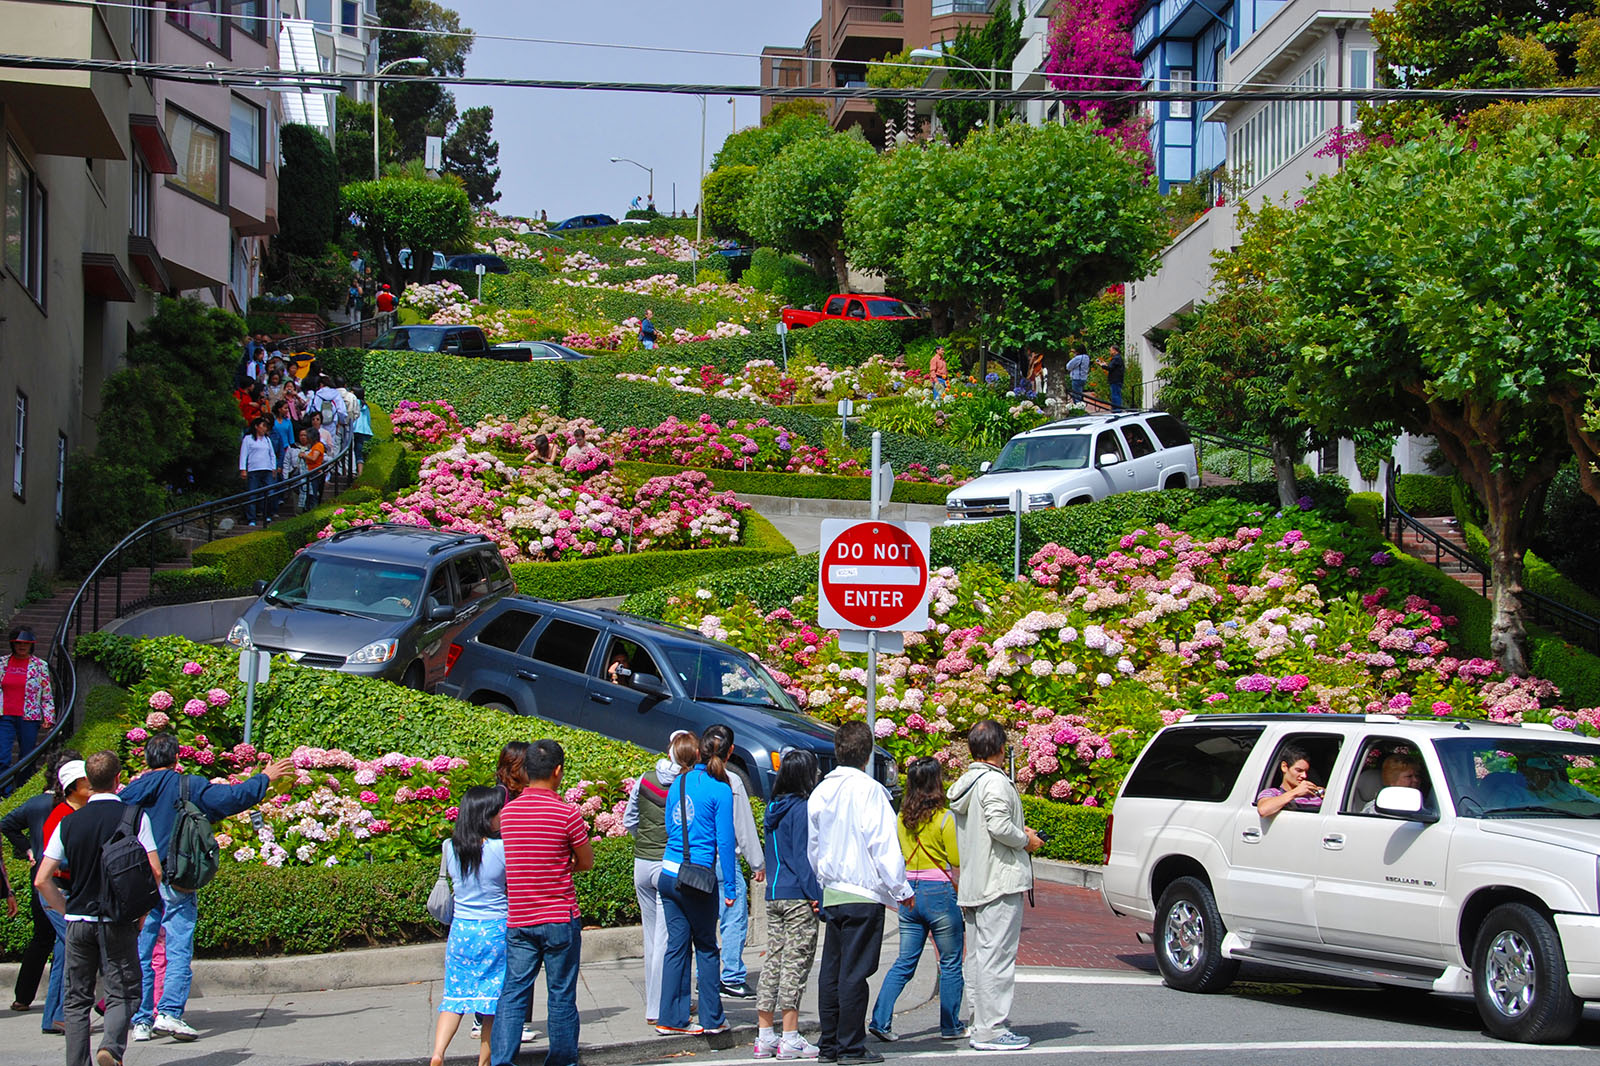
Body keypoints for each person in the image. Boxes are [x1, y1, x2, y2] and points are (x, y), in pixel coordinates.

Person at [118, 733, 294, 1043]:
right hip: (177, 875)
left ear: (147, 760)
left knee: (143, 951)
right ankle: (169, 1013)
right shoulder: (188, 785)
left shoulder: (131, 792)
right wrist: (264, 778)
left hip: (141, 880)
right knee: (177, 946)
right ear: (177, 759)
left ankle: (141, 1019)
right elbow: (231, 799)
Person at [36, 750, 161, 1066]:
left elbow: (42, 879)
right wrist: (142, 911)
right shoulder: (134, 817)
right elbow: (155, 871)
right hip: (117, 919)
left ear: (88, 782)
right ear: (118, 779)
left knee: (77, 1001)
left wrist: (65, 909)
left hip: (78, 919)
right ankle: (111, 1047)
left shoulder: (69, 822)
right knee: (125, 992)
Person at [808, 721, 913, 1065]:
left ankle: (829, 1045)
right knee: (856, 973)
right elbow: (883, 844)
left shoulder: (821, 791)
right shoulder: (871, 791)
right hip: (864, 891)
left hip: (833, 889)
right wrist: (900, 889)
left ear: (837, 751)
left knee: (833, 971)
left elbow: (814, 846)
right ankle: (852, 1046)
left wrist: (823, 880)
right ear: (867, 755)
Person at [490, 739, 593, 1066]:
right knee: (561, 996)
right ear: (558, 771)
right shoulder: (567, 814)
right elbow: (586, 861)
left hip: (520, 918)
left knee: (513, 994)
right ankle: (561, 1061)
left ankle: (502, 1060)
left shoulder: (508, 814)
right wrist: (565, 863)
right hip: (559, 918)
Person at [947, 721, 1042, 1052]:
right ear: (1000, 748)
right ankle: (991, 1028)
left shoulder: (966, 783)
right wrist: (1025, 840)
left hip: (973, 881)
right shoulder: (995, 783)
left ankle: (979, 1021)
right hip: (998, 880)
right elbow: (1000, 825)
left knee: (977, 957)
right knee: (997, 957)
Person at [869, 757, 964, 1043]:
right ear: (937, 782)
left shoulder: (901, 817)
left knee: (905, 961)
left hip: (909, 891)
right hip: (939, 893)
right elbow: (957, 858)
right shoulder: (945, 817)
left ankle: (880, 1019)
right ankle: (950, 1025)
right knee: (949, 961)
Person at [656, 732, 737, 1038]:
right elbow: (725, 844)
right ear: (728, 753)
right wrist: (729, 888)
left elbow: (669, 824)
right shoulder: (721, 790)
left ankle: (670, 1017)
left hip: (668, 872)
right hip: (699, 878)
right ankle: (713, 1018)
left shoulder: (680, 782)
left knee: (675, 947)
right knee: (706, 946)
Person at [430, 786, 508, 1066]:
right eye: (500, 810)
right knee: (493, 1002)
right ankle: (483, 1062)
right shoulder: (501, 849)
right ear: (487, 815)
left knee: (454, 996)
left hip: (461, 930)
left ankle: (438, 1053)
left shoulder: (450, 847)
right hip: (496, 929)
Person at [753, 749, 822, 1061]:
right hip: (797, 895)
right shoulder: (802, 808)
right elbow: (802, 859)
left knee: (774, 962)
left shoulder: (773, 807)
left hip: (775, 892)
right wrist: (815, 895)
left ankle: (765, 1034)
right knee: (796, 963)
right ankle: (791, 1036)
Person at [622, 730, 694, 1025]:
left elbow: (629, 820)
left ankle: (655, 1005)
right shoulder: (686, 784)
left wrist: (644, 839)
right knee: (667, 939)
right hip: (669, 866)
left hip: (642, 863)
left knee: (651, 937)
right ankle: (659, 1007)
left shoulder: (644, 779)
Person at [1, 750, 78, 1018]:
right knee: (65, 941)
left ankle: (24, 997)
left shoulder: (37, 805)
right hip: (58, 881)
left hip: (42, 882)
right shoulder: (62, 809)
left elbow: (7, 825)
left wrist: (28, 850)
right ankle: (58, 1010)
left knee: (44, 939)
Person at [702, 724, 764, 1000]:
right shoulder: (732, 781)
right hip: (723, 862)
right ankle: (732, 976)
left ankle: (705, 976)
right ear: (732, 751)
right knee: (733, 919)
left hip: (694, 862)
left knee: (702, 923)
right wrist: (757, 863)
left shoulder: (690, 778)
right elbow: (743, 828)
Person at [1, 628, 55, 791]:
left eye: (26, 643)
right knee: (2, 755)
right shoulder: (2, 663)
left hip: (29, 716)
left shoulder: (40, 666)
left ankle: (23, 789)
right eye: (18, 643)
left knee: (27, 756)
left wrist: (48, 716)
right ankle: (5, 790)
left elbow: (46, 693)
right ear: (13, 644)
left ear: (31, 645)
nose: (22, 646)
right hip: (5, 715)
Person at [1256, 745, 1324, 816]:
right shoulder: (1273, 793)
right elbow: (1263, 810)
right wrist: (1296, 792)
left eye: (1306, 771)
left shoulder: (1313, 796)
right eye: (1299, 770)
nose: (1304, 776)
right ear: (1284, 767)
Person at [1360, 754, 1429, 814]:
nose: (1416, 780)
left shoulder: (1424, 804)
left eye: (1417, 776)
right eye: (1409, 776)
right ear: (1392, 781)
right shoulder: (1376, 809)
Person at [239, 417, 277, 527]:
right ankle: (251, 518)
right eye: (263, 426)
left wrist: (273, 468)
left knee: (269, 493)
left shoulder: (267, 439)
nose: (265, 429)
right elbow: (243, 454)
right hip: (253, 470)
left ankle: (267, 514)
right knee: (252, 494)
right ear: (256, 426)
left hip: (267, 469)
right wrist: (243, 469)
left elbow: (272, 454)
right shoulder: (248, 439)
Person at [351, 387, 373, 477]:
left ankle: (352, 471)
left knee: (351, 450)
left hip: (354, 429)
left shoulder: (354, 402)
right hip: (362, 431)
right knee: (358, 452)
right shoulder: (365, 406)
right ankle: (360, 473)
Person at [1104, 345, 1125, 411]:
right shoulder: (1118, 358)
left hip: (1115, 379)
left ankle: (1117, 409)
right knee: (1116, 394)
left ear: (1114, 350)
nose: (1110, 352)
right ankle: (1116, 408)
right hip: (1117, 379)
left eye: (1111, 350)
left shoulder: (1116, 358)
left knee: (1115, 395)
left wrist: (1103, 366)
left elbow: (1110, 368)